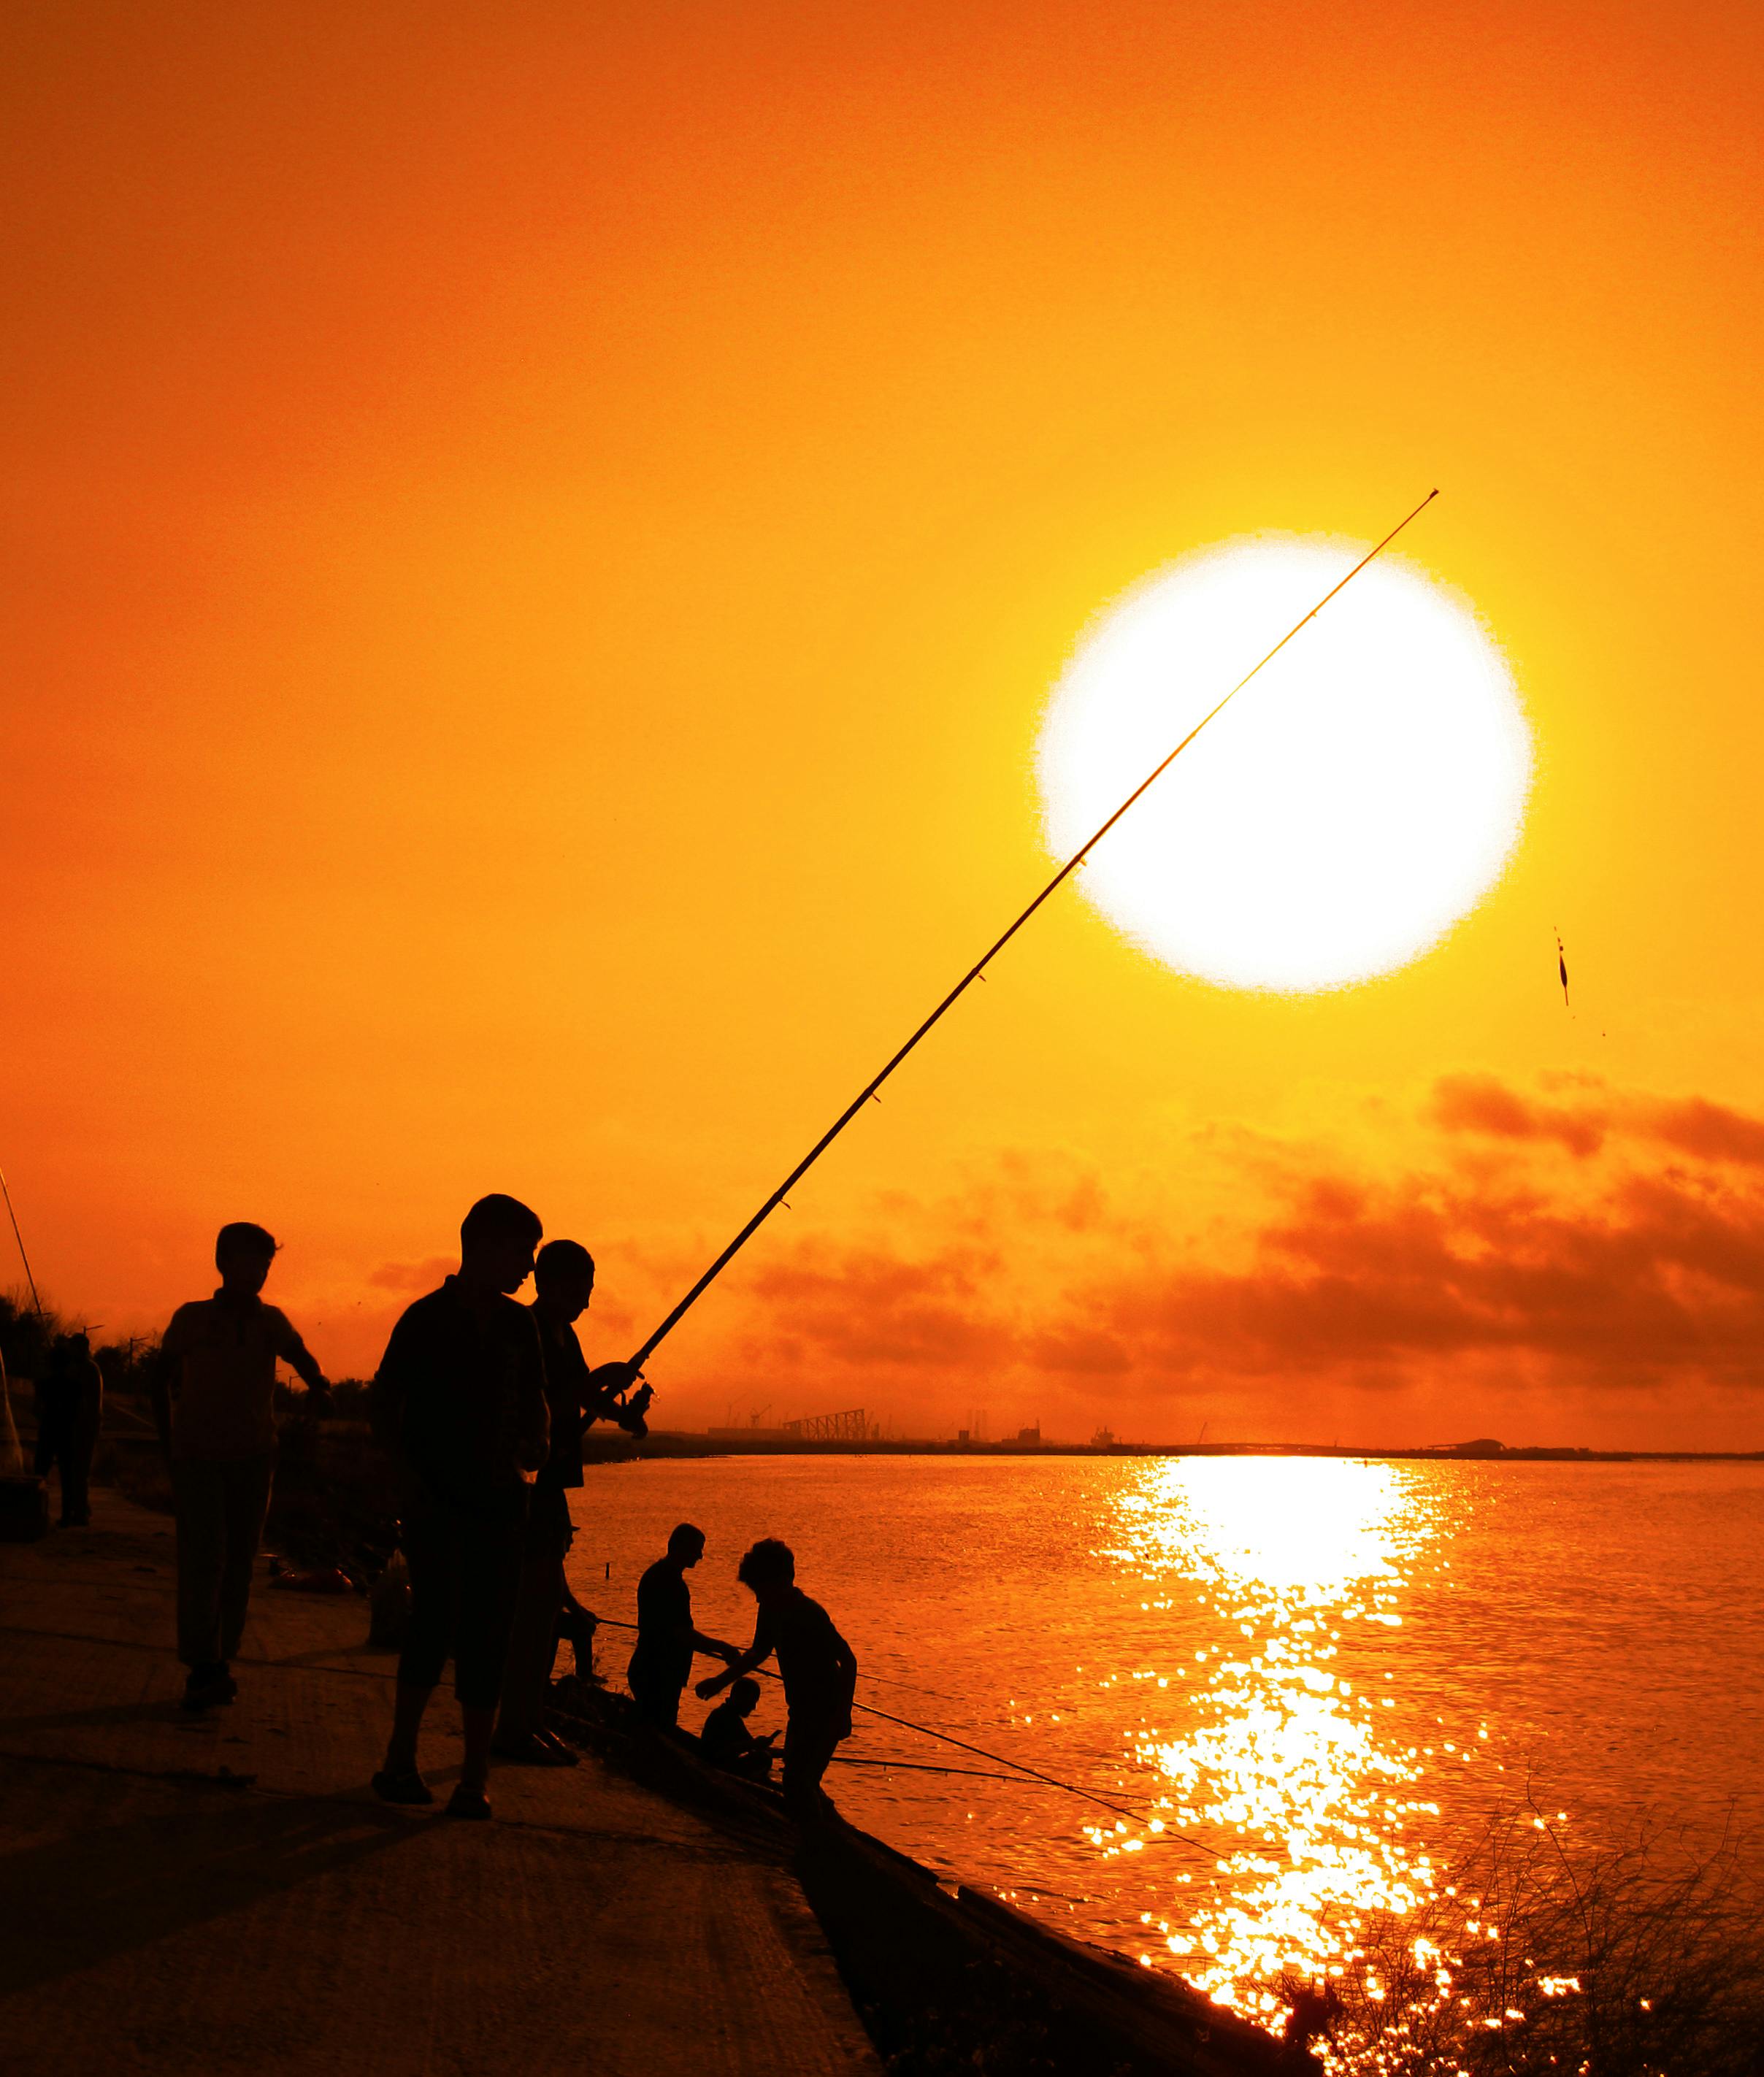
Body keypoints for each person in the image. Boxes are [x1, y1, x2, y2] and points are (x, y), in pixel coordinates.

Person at [369, 1194, 549, 1819]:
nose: (529, 1266)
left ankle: (473, 1779)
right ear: (487, 1245)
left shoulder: (518, 1325)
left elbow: (536, 1401)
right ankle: (400, 1758)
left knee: (488, 1634)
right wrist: (405, 1479)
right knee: (434, 1620)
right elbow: (384, 1403)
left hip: (502, 1501)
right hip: (436, 1501)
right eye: (523, 1252)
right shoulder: (423, 1319)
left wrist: (536, 1445)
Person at [151, 1224, 330, 1711]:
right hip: (198, 1457)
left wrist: (319, 1383)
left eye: (266, 1264)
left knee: (239, 1564)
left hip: (254, 1458)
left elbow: (300, 1355)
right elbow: (160, 1377)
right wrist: (170, 1444)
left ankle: (220, 1658)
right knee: (203, 1560)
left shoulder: (271, 1321)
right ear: (224, 1262)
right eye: (251, 1262)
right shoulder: (192, 1319)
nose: (259, 1272)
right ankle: (201, 1664)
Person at [493, 1237, 644, 1765]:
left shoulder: (566, 1333)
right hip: (529, 1485)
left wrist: (623, 1412)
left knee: (545, 1612)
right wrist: (604, 1377)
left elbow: (582, 1396)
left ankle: (530, 1721)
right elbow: (548, 1398)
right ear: (555, 1284)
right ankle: (514, 1727)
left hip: (553, 1485)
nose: (588, 1299)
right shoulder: (528, 1331)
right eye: (583, 1287)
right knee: (534, 1613)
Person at [697, 1538, 856, 1819]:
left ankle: (817, 1838)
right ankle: (823, 1826)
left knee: (799, 1781)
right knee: (797, 1779)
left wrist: (844, 1713)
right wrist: (719, 1682)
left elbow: (849, 1661)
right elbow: (758, 1651)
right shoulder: (770, 1609)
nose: (758, 1598)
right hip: (799, 1710)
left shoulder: (810, 1613)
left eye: (761, 1589)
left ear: (783, 1580)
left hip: (825, 1710)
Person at [627, 1523, 738, 1728]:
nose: (700, 1556)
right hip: (657, 1673)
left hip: (655, 1670)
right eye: (697, 1549)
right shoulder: (670, 1583)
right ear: (680, 1547)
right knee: (659, 1731)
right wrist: (723, 1648)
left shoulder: (659, 1575)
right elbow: (682, 1633)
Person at [36, 1332, 103, 1527]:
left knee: (79, 1471)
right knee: (74, 1472)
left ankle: (79, 1513)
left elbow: (87, 1403)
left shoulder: (88, 1370)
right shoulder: (81, 1369)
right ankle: (80, 1509)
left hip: (85, 1427)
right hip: (77, 1426)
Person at [699, 1675, 778, 1781]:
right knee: (763, 1758)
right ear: (740, 1698)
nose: (754, 1707)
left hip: (722, 1763)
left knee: (764, 1756)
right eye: (752, 1701)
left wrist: (785, 1753)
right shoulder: (724, 1716)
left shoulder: (731, 1717)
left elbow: (753, 1745)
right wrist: (755, 1744)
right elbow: (723, 1750)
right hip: (715, 1764)